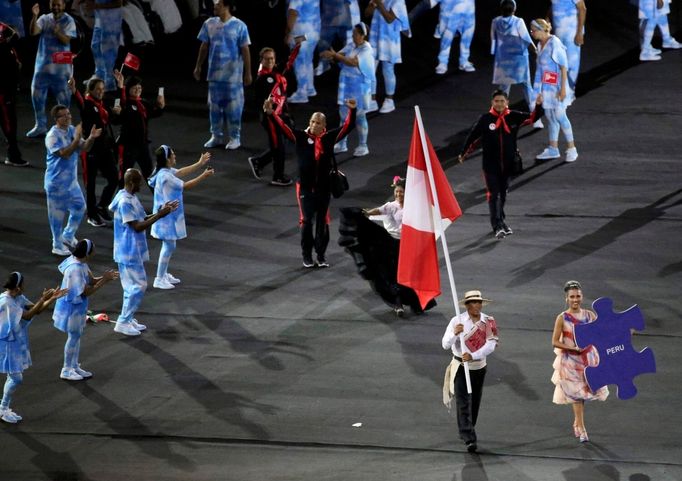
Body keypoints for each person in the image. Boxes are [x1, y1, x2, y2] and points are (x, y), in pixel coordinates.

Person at [265, 97, 357, 268]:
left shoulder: (329, 138)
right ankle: (306, 256)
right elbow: (283, 128)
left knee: (322, 222)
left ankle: (320, 256)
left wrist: (352, 110)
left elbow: (347, 127)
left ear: (324, 126)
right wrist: (271, 114)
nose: (314, 125)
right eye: (312, 121)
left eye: (318, 123)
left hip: (324, 188)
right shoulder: (300, 137)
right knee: (307, 221)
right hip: (305, 188)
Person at [338, 176, 435, 316]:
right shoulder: (391, 206)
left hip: (407, 246)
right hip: (391, 244)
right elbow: (379, 210)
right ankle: (398, 304)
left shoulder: (413, 207)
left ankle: (417, 303)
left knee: (410, 276)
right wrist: (365, 213)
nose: (398, 194)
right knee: (391, 275)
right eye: (396, 192)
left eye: (401, 192)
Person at [458, 89, 544, 239]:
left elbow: (533, 118)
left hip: (509, 165)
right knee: (493, 195)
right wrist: (463, 153)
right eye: (496, 101)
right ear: (492, 102)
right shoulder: (485, 119)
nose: (499, 104)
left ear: (507, 103)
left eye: (502, 101)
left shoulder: (514, 116)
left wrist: (538, 106)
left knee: (503, 194)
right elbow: (473, 136)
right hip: (490, 166)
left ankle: (501, 221)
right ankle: (497, 225)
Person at [108, 168, 178, 336]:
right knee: (139, 286)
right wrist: (160, 215)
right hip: (128, 250)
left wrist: (161, 211)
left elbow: (141, 219)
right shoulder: (125, 201)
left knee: (130, 286)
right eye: (139, 182)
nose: (141, 186)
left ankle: (127, 318)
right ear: (131, 183)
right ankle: (123, 322)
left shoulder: (128, 196)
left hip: (130, 248)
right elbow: (137, 226)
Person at [0, 272, 66, 423]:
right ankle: (3, 409)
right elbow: (29, 315)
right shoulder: (7, 302)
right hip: (6, 344)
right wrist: (44, 299)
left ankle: (3, 407)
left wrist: (50, 299)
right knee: (16, 378)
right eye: (23, 284)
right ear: (17, 287)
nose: (25, 286)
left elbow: (37, 309)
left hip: (14, 342)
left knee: (13, 377)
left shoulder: (17, 297)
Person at [148, 146, 214, 289]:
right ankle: (159, 278)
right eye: (172, 154)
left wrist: (199, 163)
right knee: (169, 245)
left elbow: (181, 172)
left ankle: (163, 274)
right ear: (167, 159)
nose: (175, 156)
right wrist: (204, 175)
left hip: (167, 214)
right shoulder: (165, 176)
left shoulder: (163, 171)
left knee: (170, 245)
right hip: (166, 217)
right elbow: (186, 185)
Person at [441, 290, 499, 453]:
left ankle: (468, 426)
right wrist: (455, 333)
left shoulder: (488, 321)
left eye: (479, 302)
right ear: (467, 305)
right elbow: (445, 344)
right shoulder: (456, 321)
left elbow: (491, 344)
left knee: (474, 402)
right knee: (463, 401)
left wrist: (473, 355)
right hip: (460, 366)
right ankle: (469, 437)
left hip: (478, 367)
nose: (477, 305)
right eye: (473, 302)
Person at [52, 239, 118, 380]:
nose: (95, 250)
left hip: (78, 307)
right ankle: (66, 369)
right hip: (71, 307)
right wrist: (105, 280)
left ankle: (74, 366)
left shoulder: (80, 262)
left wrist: (107, 277)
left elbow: (91, 280)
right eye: (93, 248)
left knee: (77, 335)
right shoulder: (75, 268)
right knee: (73, 336)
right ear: (87, 253)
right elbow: (85, 291)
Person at [551, 280, 609, 442]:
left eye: (578, 296)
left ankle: (577, 422)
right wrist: (572, 349)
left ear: (582, 297)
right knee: (576, 394)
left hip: (588, 360)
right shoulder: (562, 318)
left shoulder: (590, 315)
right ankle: (582, 428)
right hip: (570, 361)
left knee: (583, 394)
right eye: (572, 297)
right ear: (566, 299)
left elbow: (601, 333)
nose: (575, 299)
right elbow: (555, 341)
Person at [194, 0, 252, 150]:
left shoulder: (240, 26)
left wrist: (248, 72)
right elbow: (204, 46)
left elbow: (245, 50)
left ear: (226, 6)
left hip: (233, 77)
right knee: (214, 107)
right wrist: (198, 66)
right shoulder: (209, 24)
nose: (215, 7)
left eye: (218, 5)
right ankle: (216, 135)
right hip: (214, 75)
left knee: (234, 108)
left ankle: (235, 137)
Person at [44, 104, 102, 256]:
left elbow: (85, 148)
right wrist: (76, 139)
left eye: (69, 114)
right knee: (57, 217)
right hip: (56, 184)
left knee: (80, 208)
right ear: (57, 119)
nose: (69, 117)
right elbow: (64, 153)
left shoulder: (71, 130)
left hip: (71, 182)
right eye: (64, 115)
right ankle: (56, 244)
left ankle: (68, 235)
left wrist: (91, 137)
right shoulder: (52, 136)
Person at [70, 76, 121, 227]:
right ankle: (92, 215)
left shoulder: (101, 104)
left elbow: (107, 119)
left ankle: (102, 206)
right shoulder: (87, 103)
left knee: (114, 178)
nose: (101, 92)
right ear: (90, 90)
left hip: (104, 148)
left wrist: (114, 112)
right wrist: (74, 90)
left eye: (102, 89)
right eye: (98, 89)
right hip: (90, 149)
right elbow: (80, 101)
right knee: (90, 185)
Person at [248, 42, 301, 186]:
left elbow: (289, 61)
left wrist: (297, 46)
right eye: (267, 59)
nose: (270, 61)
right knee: (278, 146)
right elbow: (260, 100)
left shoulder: (275, 71)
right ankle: (277, 176)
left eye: (272, 58)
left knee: (279, 145)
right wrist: (269, 108)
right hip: (270, 117)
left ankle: (258, 161)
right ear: (261, 60)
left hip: (280, 115)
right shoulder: (263, 78)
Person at [321, 22, 375, 157]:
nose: (353, 36)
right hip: (347, 87)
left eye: (356, 34)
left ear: (363, 35)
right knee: (343, 117)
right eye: (353, 34)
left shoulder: (366, 49)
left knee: (360, 117)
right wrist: (331, 55)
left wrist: (336, 56)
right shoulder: (351, 45)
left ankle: (363, 145)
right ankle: (341, 143)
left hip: (360, 88)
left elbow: (353, 62)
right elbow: (339, 55)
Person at [530, 19, 578, 163]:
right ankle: (553, 148)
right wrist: (537, 92)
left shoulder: (554, 43)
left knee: (560, 116)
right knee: (550, 117)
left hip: (557, 87)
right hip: (546, 88)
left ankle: (572, 148)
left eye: (533, 30)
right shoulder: (540, 45)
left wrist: (563, 89)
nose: (532, 33)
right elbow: (539, 71)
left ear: (541, 30)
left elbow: (564, 67)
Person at [26, 0, 77, 138]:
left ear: (63, 5)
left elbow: (66, 40)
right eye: (53, 4)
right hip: (42, 66)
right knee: (37, 96)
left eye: (58, 4)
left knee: (64, 100)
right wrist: (35, 16)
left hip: (61, 69)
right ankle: (40, 126)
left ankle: (64, 128)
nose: (55, 7)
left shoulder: (69, 20)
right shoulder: (44, 18)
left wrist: (57, 31)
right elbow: (33, 32)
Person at [114, 69, 165, 188]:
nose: (138, 89)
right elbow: (121, 104)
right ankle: (119, 203)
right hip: (128, 146)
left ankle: (160, 201)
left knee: (151, 175)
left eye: (139, 87)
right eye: (134, 87)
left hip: (143, 145)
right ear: (128, 89)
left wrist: (160, 107)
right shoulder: (125, 103)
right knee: (125, 177)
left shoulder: (143, 103)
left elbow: (154, 113)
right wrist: (120, 86)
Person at [491, 0, 537, 124]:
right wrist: (535, 50)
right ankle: (535, 118)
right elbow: (526, 39)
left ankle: (499, 117)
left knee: (504, 88)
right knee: (527, 86)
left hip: (504, 58)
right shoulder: (518, 21)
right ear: (514, 9)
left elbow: (493, 40)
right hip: (519, 58)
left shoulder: (495, 21)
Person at [365, 0, 410, 114]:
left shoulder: (398, 1)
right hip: (375, 37)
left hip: (390, 40)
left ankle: (389, 100)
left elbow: (389, 19)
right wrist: (372, 5)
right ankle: (372, 100)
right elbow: (367, 14)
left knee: (388, 70)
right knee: (369, 69)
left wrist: (379, 4)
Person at [0, 21, 27, 167]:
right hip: (3, 91)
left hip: (7, 89)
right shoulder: (4, 46)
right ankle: (13, 155)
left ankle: (13, 153)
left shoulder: (7, 46)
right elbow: (15, 36)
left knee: (8, 123)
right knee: (9, 123)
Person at [285, 0, 320, 104]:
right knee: (308, 60)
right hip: (314, 32)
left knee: (299, 61)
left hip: (300, 35)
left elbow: (293, 12)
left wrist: (288, 33)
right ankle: (309, 88)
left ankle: (302, 93)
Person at [315, 0, 361, 76]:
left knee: (350, 43)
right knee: (323, 40)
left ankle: (349, 66)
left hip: (349, 15)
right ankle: (324, 64)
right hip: (329, 14)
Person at [431, 0, 476, 75]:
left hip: (468, 12)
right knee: (446, 39)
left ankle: (464, 61)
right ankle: (442, 62)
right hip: (448, 12)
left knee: (467, 38)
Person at [550, 0, 586, 94]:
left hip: (571, 34)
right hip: (558, 34)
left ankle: (569, 91)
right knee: (557, 62)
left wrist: (579, 33)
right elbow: (553, 5)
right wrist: (547, 20)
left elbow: (582, 9)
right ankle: (559, 89)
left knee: (571, 64)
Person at [90, 0, 122, 92]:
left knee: (107, 52)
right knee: (95, 46)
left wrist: (96, 5)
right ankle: (99, 77)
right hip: (100, 19)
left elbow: (118, 3)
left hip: (111, 21)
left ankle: (109, 82)